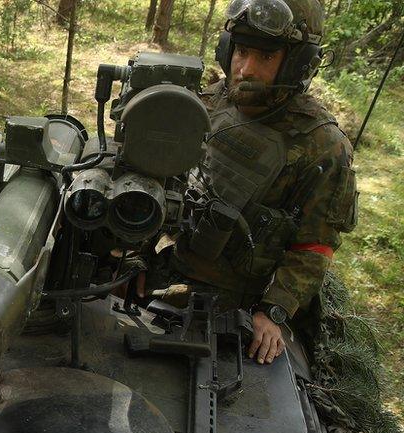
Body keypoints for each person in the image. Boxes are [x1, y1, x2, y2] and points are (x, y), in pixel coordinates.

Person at [143, 0, 357, 364]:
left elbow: (314, 247)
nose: (247, 69)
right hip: (172, 267)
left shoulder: (322, 146)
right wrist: (140, 257)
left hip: (241, 302)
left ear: (297, 62)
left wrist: (274, 311)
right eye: (241, 51)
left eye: (266, 57)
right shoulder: (207, 102)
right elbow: (161, 183)